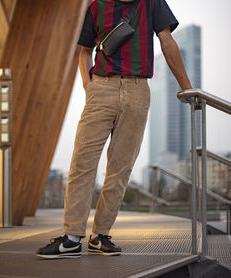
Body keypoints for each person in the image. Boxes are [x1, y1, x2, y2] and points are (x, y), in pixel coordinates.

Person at [37, 0, 192, 259]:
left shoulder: (151, 3)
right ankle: (72, 237)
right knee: (82, 163)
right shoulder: (97, 6)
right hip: (101, 87)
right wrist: (89, 88)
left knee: (120, 167)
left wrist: (187, 87)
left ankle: (100, 235)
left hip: (138, 89)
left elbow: (166, 40)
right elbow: (85, 52)